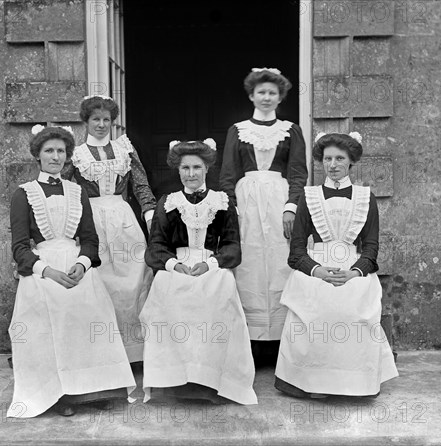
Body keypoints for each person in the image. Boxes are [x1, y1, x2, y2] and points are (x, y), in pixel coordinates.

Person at [8, 125, 135, 418]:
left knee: (92, 310)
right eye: (49, 151)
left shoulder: (76, 191)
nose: (55, 156)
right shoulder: (24, 194)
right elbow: (19, 248)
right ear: (37, 156)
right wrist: (47, 271)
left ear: (67, 156)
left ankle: (91, 389)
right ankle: (58, 392)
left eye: (61, 151)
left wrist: (82, 264)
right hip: (43, 269)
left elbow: (90, 240)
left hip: (76, 264)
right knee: (54, 315)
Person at [274, 132, 398, 398]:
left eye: (339, 158)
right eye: (327, 158)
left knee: (353, 310)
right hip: (316, 268)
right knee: (316, 311)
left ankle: (355, 383)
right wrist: (317, 271)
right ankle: (311, 382)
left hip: (353, 270)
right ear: (321, 161)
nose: (333, 164)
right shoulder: (308, 197)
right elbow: (296, 250)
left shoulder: (366, 197)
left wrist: (355, 272)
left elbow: (372, 248)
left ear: (351, 160)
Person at [140, 139, 257, 405]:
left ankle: (211, 379)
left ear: (207, 169)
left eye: (196, 167)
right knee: (166, 292)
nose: (191, 174)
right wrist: (173, 264)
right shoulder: (167, 202)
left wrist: (211, 263)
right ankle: (172, 380)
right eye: (185, 168)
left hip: (211, 266)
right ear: (177, 171)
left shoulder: (222, 202)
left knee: (219, 292)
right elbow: (155, 246)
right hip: (177, 266)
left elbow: (232, 247)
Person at [219, 67, 308, 360]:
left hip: (280, 202)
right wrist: (232, 210)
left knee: (281, 260)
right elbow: (228, 174)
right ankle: (252, 342)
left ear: (280, 96)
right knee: (250, 264)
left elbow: (298, 172)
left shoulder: (291, 130)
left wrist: (291, 207)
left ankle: (282, 342)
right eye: (262, 92)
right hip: (247, 204)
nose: (267, 97)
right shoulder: (238, 130)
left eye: (272, 93)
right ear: (251, 95)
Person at [65, 95, 157, 362]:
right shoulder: (77, 154)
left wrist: (149, 214)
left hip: (124, 220)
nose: (102, 125)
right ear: (86, 121)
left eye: (107, 120)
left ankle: (134, 352)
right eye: (96, 119)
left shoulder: (125, 149)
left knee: (133, 280)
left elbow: (140, 185)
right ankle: (105, 353)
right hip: (91, 221)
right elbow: (67, 189)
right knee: (101, 282)